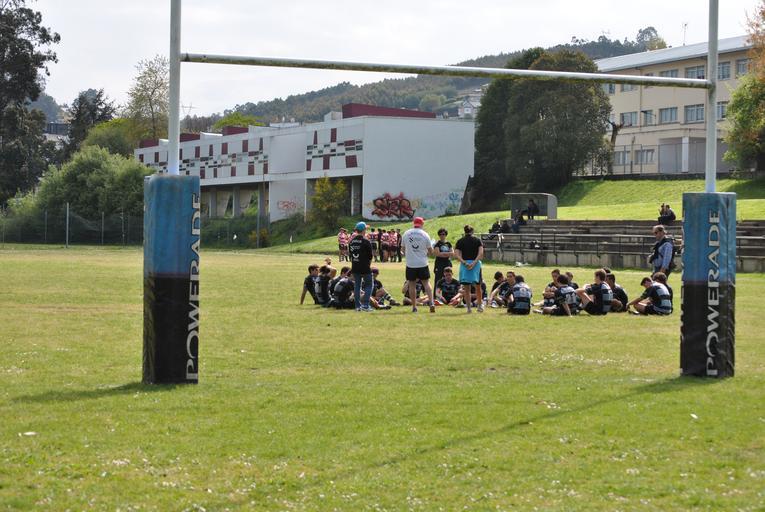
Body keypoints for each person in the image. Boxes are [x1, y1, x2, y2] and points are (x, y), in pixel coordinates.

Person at [402, 217, 436, 313]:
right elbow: (431, 252)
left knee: (412, 285)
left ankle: (414, 307)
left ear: (414, 223)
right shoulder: (425, 234)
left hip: (410, 263)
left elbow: (403, 249)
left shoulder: (406, 233)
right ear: (422, 224)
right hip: (422, 263)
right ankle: (431, 303)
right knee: (426, 283)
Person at [454, 224, 484, 313]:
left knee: (467, 288)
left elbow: (457, 254)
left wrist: (464, 262)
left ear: (465, 231)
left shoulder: (460, 241)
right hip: (476, 265)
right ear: (472, 231)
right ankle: (479, 306)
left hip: (465, 265)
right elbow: (481, 253)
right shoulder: (477, 240)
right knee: (478, 286)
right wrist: (474, 263)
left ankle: (468, 308)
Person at [348, 222, 375, 312]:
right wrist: (368, 265)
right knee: (369, 285)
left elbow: (350, 255)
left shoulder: (351, 241)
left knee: (357, 286)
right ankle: (365, 305)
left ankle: (357, 306)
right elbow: (370, 256)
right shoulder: (366, 241)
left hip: (355, 266)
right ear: (363, 230)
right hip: (365, 267)